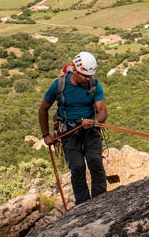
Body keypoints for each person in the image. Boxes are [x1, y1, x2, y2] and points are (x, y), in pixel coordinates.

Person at [39, 51, 108, 205]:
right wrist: (46, 134)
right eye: (84, 75)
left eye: (89, 76)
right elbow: (43, 109)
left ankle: (101, 201)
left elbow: (102, 111)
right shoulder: (60, 85)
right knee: (77, 167)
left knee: (95, 161)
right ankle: (83, 205)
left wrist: (94, 121)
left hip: (90, 130)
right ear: (75, 70)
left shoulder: (94, 85)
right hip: (68, 132)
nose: (87, 79)